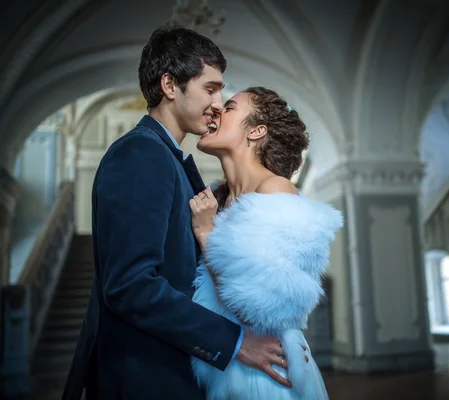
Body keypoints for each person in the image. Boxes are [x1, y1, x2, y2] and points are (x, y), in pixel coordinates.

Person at [62, 27, 292, 400]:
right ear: (170, 85)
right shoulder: (141, 153)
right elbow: (130, 285)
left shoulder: (168, 160)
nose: (218, 103)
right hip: (143, 377)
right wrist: (234, 343)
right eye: (211, 88)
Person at [188, 87, 343, 399]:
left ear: (257, 131)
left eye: (229, 107)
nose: (217, 111)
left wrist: (206, 235)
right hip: (223, 368)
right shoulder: (216, 200)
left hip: (267, 374)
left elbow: (262, 308)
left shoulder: (277, 189)